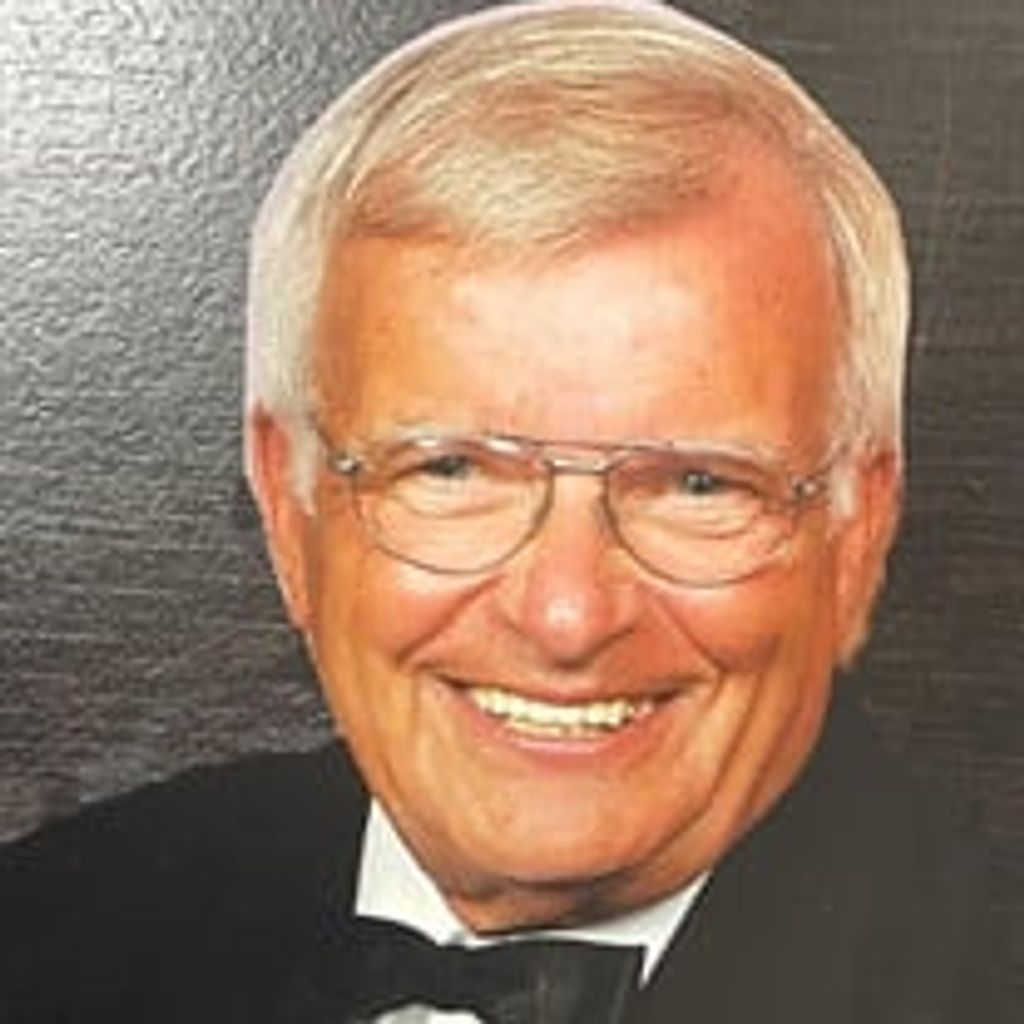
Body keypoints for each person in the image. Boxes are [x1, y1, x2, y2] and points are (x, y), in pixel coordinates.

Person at [0, 1, 997, 1021]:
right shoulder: (42, 932)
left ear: (858, 533)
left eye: (697, 485)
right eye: (450, 471)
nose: (566, 617)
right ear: (288, 507)